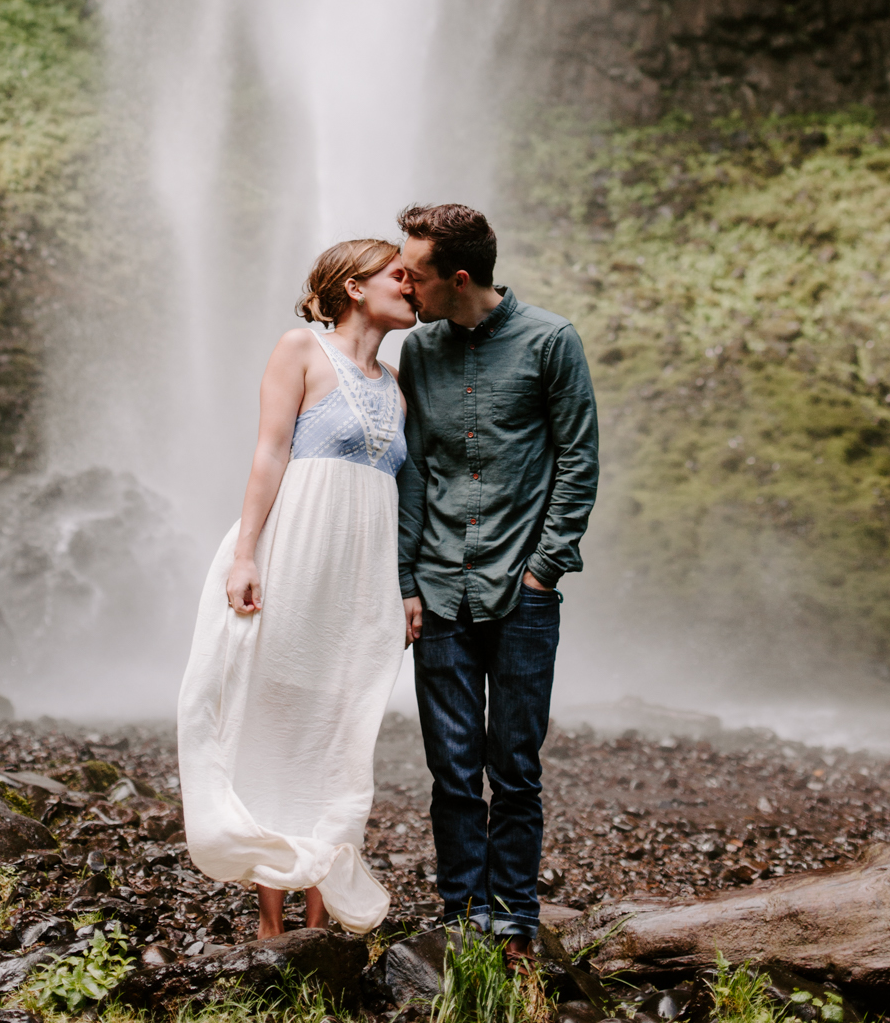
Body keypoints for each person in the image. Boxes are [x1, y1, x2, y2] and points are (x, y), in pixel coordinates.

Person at [178, 238, 415, 937]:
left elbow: (404, 494)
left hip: (362, 579)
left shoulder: (397, 385)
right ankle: (270, 918)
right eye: (398, 275)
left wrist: (404, 588)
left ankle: (319, 908)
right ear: (351, 286)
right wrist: (245, 554)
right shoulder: (301, 351)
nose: (413, 286)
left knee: (346, 723)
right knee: (275, 714)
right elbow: (269, 450)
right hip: (295, 555)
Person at [395, 202, 598, 964]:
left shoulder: (550, 341)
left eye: (411, 272)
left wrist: (546, 569)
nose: (400, 283)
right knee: (450, 770)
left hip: (522, 593)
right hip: (440, 589)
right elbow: (413, 468)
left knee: (513, 767)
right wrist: (405, 577)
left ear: (456, 276)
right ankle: (460, 914)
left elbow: (578, 462)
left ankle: (514, 915)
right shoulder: (416, 351)